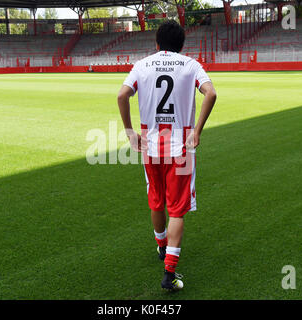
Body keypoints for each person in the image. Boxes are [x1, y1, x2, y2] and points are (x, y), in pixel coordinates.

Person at [117, 20, 217, 291]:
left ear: (157, 43)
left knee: (156, 200)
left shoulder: (142, 65)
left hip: (151, 147)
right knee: (178, 209)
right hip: (180, 150)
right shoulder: (191, 65)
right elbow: (211, 93)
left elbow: (122, 95)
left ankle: (161, 247)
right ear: (181, 45)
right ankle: (169, 274)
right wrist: (197, 130)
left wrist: (129, 132)